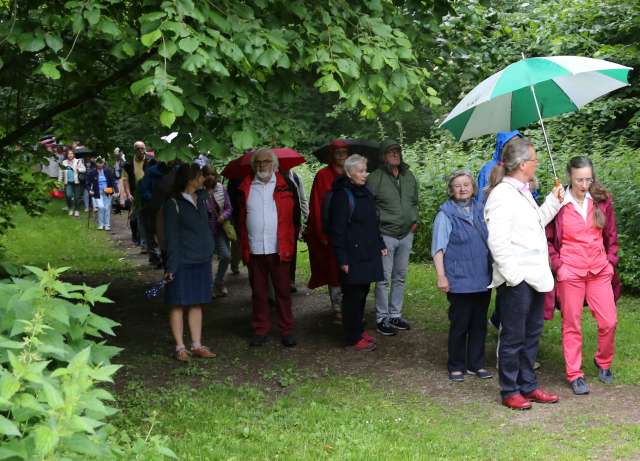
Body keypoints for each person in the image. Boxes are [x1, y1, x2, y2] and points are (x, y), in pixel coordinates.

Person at [484, 137, 564, 410]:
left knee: (532, 335)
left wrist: (554, 201)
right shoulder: (501, 195)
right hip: (517, 279)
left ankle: (528, 386)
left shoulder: (524, 192)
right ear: (521, 164)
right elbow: (497, 241)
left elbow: (535, 223)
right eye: (534, 159)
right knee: (513, 337)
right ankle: (510, 390)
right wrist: (514, 277)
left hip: (537, 277)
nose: (537, 163)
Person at [546, 156, 620, 395]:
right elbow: (546, 240)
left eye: (588, 179)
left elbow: (612, 236)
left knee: (609, 321)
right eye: (579, 179)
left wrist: (610, 262)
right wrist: (559, 266)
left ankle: (604, 361)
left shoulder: (601, 200)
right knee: (572, 323)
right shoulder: (558, 202)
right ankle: (575, 373)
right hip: (570, 272)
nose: (584, 184)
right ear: (569, 176)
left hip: (599, 270)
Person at [432, 170, 493, 382]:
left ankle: (476, 364)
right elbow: (438, 249)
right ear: (451, 190)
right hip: (458, 279)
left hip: (482, 277)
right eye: (457, 185)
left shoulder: (482, 209)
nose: (462, 188)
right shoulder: (445, 214)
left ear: (473, 187)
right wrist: (442, 276)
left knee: (479, 324)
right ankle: (456, 365)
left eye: (466, 184)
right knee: (460, 324)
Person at [236, 149, 299, 347]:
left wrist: (291, 240)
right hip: (254, 249)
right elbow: (239, 218)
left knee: (283, 292)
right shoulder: (245, 186)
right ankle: (260, 330)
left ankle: (286, 331)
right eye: (258, 163)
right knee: (259, 293)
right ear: (254, 166)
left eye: (266, 162)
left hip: (279, 248)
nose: (262, 165)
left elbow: (296, 217)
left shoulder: (286, 185)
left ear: (274, 164)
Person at [330, 154, 387, 351]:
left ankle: (358, 329)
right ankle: (351, 337)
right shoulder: (342, 195)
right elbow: (337, 230)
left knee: (363, 293)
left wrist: (380, 243)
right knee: (352, 296)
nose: (365, 174)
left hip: (368, 252)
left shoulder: (365, 192)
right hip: (352, 255)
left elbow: (373, 221)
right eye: (361, 171)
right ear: (349, 173)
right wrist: (342, 258)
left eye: (366, 170)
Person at [163, 162, 217, 362]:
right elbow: (172, 237)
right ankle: (180, 347)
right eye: (200, 176)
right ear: (190, 179)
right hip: (183, 261)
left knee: (197, 303)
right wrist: (171, 266)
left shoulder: (202, 199)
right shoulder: (173, 204)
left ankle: (196, 345)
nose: (203, 178)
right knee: (177, 304)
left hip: (201, 260)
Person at [367, 140, 418, 336]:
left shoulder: (408, 176)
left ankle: (395, 314)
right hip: (385, 234)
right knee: (383, 278)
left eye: (397, 151)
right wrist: (376, 232)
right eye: (390, 152)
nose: (395, 154)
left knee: (400, 276)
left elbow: (415, 201)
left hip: (406, 234)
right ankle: (382, 318)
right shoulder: (376, 177)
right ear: (382, 156)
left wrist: (415, 221)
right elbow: (369, 206)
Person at [307, 140, 349, 323]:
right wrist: (321, 233)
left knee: (351, 270)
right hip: (331, 232)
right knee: (334, 271)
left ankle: (351, 305)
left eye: (344, 153)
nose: (341, 156)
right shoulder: (322, 175)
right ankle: (337, 308)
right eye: (338, 153)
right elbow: (316, 205)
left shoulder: (352, 173)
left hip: (351, 232)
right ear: (332, 155)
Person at [204, 170, 233, 297]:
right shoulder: (198, 191)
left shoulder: (222, 189)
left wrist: (224, 216)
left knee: (226, 256)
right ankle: (208, 286)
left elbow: (229, 207)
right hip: (205, 231)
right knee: (206, 260)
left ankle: (219, 281)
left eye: (212, 175)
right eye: (207, 174)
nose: (211, 177)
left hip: (220, 229)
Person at [477, 131, 522, 204]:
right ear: (503, 146)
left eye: (519, 142)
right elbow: (481, 200)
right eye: (512, 143)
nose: (516, 147)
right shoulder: (488, 169)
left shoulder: (522, 165)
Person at [285, 167, 309, 292]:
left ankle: (291, 280)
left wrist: (307, 218)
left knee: (293, 250)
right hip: (281, 221)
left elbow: (303, 199)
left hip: (294, 220)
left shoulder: (295, 177)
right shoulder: (274, 178)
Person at [122, 141, 150, 248]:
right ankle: (139, 239)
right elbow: (125, 180)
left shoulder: (149, 161)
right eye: (138, 149)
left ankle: (145, 241)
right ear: (135, 150)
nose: (141, 151)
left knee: (145, 218)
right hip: (135, 193)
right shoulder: (128, 164)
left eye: (142, 148)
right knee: (136, 218)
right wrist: (128, 194)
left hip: (147, 193)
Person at [86, 156, 117, 231]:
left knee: (107, 208)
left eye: (101, 162)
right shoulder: (92, 172)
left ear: (104, 163)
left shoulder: (108, 171)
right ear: (96, 163)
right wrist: (89, 190)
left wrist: (116, 191)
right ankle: (100, 224)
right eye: (98, 163)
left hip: (108, 190)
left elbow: (113, 182)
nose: (100, 164)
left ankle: (107, 225)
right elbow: (87, 183)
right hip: (97, 192)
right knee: (100, 207)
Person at [58, 148, 86, 217]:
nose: (70, 155)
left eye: (71, 153)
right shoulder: (64, 162)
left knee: (77, 197)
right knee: (68, 195)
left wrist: (79, 169)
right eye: (69, 154)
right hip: (68, 182)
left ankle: (76, 210)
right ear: (67, 155)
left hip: (77, 182)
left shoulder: (78, 161)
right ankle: (70, 208)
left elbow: (84, 169)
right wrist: (59, 182)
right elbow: (61, 172)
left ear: (73, 154)